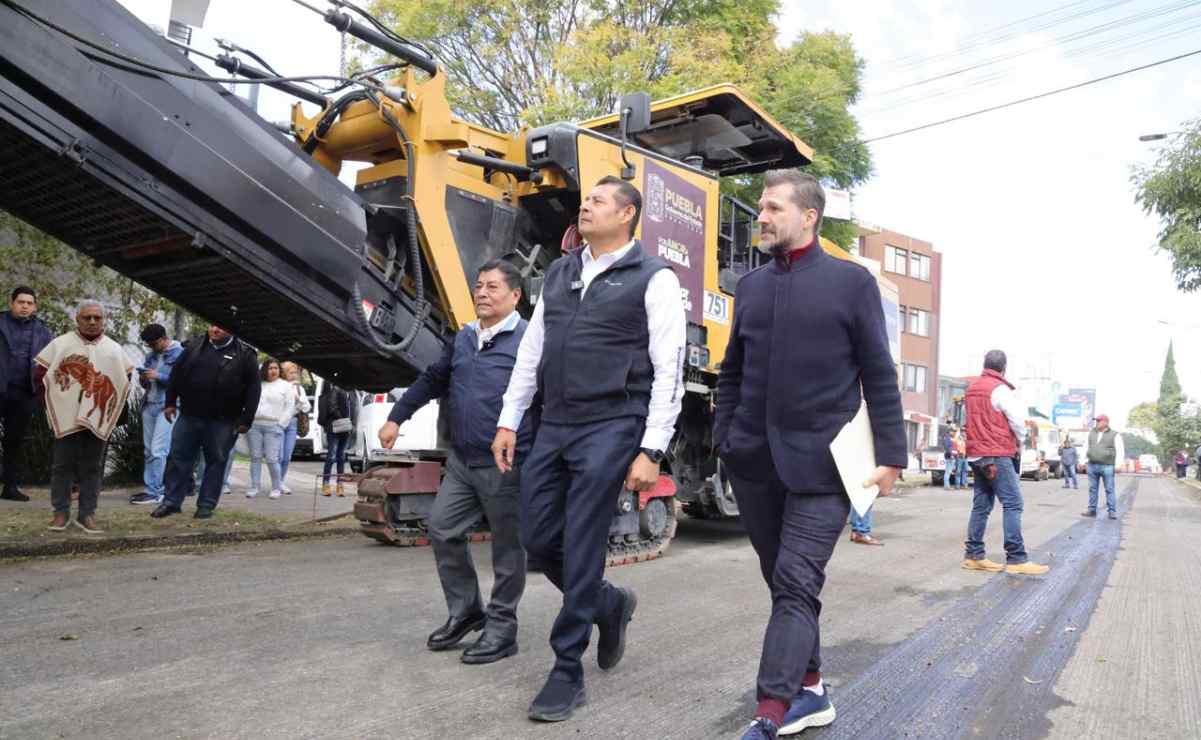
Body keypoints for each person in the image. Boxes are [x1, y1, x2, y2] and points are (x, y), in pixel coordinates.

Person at [712, 170, 906, 740]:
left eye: (772, 208)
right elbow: (732, 374)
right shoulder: (748, 288)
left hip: (825, 468)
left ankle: (770, 712)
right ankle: (813, 687)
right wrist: (726, 437)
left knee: (796, 581)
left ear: (808, 216)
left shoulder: (851, 284)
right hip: (753, 462)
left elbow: (879, 373)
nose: (761, 217)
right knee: (785, 584)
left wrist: (892, 455)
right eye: (761, 208)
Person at [492, 176, 685, 723]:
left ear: (627, 215)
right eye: (587, 200)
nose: (586, 206)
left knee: (581, 540)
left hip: (613, 422)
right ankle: (606, 602)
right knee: (537, 535)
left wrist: (652, 448)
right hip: (555, 422)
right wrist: (510, 418)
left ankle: (565, 669)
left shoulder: (654, 279)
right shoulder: (560, 272)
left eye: (598, 201)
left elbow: (670, 370)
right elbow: (533, 348)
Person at [381, 259, 536, 664]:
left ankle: (502, 628)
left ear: (515, 295)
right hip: (465, 461)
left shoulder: (531, 341)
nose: (481, 293)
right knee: (442, 528)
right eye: (479, 286)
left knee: (507, 548)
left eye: (492, 287)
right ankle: (466, 611)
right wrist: (397, 417)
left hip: (508, 464)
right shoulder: (465, 337)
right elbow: (434, 378)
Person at [34, 300, 133, 533]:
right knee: (62, 466)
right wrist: (54, 405)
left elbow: (125, 379)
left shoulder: (113, 349)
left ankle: (87, 514)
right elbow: (41, 375)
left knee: (92, 467)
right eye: (86, 317)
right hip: (65, 417)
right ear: (77, 319)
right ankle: (60, 513)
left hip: (97, 418)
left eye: (96, 318)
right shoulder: (61, 344)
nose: (91, 322)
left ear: (103, 321)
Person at [150, 325, 260, 519]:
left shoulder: (246, 354)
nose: (215, 329)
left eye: (221, 326)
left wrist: (246, 419)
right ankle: (171, 502)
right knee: (178, 459)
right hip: (189, 415)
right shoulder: (193, 346)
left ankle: (206, 506)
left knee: (216, 462)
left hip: (224, 420)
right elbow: (176, 375)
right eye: (212, 325)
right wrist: (169, 403)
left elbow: (253, 389)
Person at [961, 350, 1048, 577]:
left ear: (985, 364)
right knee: (1013, 503)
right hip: (997, 453)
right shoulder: (999, 389)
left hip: (976, 454)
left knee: (981, 505)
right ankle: (1017, 558)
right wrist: (1018, 439)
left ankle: (974, 555)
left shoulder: (971, 389)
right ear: (1003, 368)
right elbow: (1018, 421)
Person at [0, 286, 52, 502]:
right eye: (21, 302)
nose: (25, 306)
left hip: (24, 393)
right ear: (12, 303)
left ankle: (10, 488)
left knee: (15, 441)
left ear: (34, 306)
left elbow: (51, 361)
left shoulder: (43, 331)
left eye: (29, 303)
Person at [130, 324, 184, 505]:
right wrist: (144, 379)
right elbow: (148, 384)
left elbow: (183, 383)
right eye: (148, 345)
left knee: (158, 449)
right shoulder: (151, 356)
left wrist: (158, 376)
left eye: (153, 343)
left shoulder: (179, 354)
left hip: (168, 406)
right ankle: (150, 489)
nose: (151, 347)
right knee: (148, 450)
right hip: (150, 404)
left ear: (163, 338)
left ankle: (157, 491)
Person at [246, 358, 295, 499]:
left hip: (273, 426)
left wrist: (281, 425)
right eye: (270, 368)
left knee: (272, 459)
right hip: (255, 425)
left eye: (276, 368)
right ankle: (254, 487)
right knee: (255, 458)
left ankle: (276, 487)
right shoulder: (258, 384)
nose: (273, 371)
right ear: (264, 370)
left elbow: (289, 407)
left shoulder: (286, 386)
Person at [318, 381, 356, 496]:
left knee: (341, 456)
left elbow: (353, 410)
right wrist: (343, 420)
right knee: (331, 455)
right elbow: (332, 407)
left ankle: (340, 484)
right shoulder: (336, 388)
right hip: (335, 426)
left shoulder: (352, 392)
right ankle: (326, 484)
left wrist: (351, 423)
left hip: (346, 427)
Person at [1083, 414, 1124, 520]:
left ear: (1106, 422)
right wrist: (1082, 461)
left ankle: (1112, 511)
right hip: (1092, 464)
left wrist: (1119, 465)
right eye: (1096, 421)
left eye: (1099, 421)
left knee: (1109, 489)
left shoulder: (1115, 435)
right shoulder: (1091, 433)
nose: (1097, 423)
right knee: (1092, 488)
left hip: (1107, 466)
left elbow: (1120, 451)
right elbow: (1086, 447)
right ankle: (1092, 510)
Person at [277, 362, 310, 493]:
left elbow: (307, 407)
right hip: (279, 422)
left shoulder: (299, 389)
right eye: (291, 372)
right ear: (284, 374)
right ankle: (277, 482)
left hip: (292, 423)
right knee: (278, 456)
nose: (294, 375)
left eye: (295, 372)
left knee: (286, 456)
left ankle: (280, 482)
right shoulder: (278, 387)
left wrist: (299, 398)